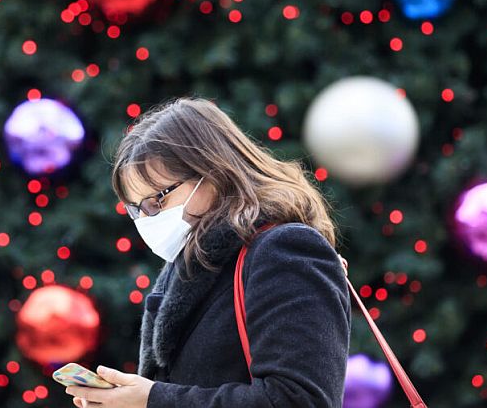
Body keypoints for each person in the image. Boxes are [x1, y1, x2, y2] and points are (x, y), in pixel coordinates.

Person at [64, 96, 351, 408]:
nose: (147, 219)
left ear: (211, 173)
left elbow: (301, 400)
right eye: (137, 209)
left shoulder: (284, 250)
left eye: (156, 200)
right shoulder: (187, 266)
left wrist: (153, 400)